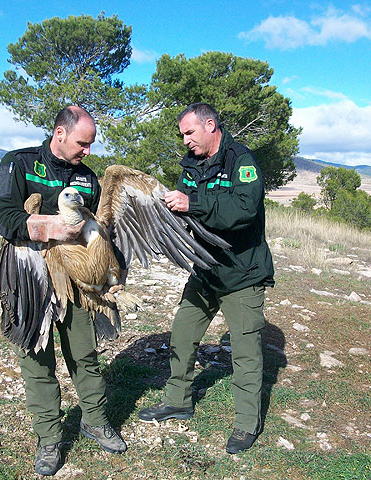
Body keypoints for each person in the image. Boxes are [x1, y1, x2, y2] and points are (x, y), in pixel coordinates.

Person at [0, 106, 126, 476]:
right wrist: (53, 226)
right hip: (29, 274)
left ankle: (95, 420)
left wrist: (108, 276)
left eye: (91, 145)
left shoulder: (88, 178)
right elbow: (6, 219)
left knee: (84, 353)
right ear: (59, 134)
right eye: (83, 143)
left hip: (75, 279)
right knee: (36, 359)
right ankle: (49, 438)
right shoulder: (19, 164)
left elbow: (100, 233)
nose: (87, 151)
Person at [138, 102, 274, 454]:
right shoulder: (191, 165)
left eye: (189, 133)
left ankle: (247, 425)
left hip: (241, 273)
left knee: (245, 355)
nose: (185, 141)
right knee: (182, 335)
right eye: (182, 134)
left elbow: (243, 211)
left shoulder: (241, 161)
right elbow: (184, 212)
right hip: (205, 270)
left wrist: (192, 204)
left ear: (210, 125)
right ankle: (178, 401)